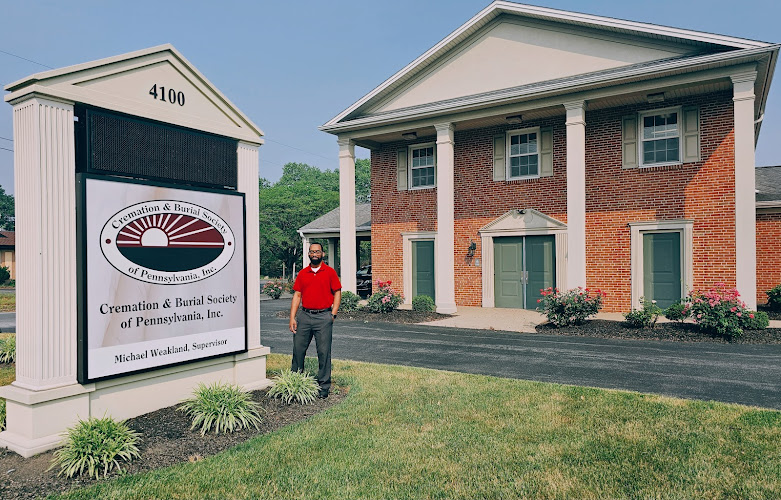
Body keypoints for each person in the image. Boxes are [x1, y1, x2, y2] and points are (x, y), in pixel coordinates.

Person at [289, 243, 341, 398]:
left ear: (322, 254)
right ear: (308, 254)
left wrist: (333, 314)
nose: (314, 254)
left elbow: (337, 293)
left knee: (324, 352)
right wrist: (292, 317)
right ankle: (296, 382)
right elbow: (297, 295)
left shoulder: (330, 273)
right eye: (312, 251)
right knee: (298, 350)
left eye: (317, 251)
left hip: (323, 317)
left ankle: (324, 386)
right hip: (304, 316)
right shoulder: (303, 273)